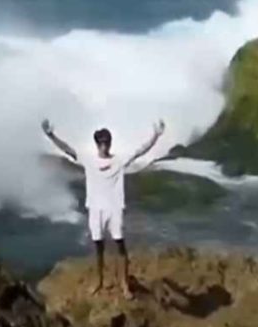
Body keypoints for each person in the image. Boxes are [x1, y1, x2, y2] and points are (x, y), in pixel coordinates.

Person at [42, 119, 166, 297]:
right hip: (95, 209)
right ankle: (99, 281)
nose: (104, 146)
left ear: (110, 143)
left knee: (120, 245)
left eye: (107, 142)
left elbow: (140, 151)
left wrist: (156, 136)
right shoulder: (89, 160)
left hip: (114, 209)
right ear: (97, 144)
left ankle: (124, 284)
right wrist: (51, 135)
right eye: (101, 143)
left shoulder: (119, 160)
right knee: (98, 246)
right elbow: (68, 150)